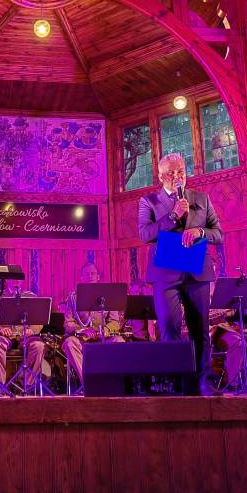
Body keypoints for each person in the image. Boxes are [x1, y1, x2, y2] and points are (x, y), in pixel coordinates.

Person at [137, 152, 223, 395]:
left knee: (200, 328)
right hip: (166, 271)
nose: (177, 177)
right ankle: (176, 383)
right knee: (169, 327)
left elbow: (219, 233)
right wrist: (173, 215)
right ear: (160, 176)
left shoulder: (201, 198)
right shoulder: (149, 201)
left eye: (181, 172)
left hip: (196, 268)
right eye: (171, 173)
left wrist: (200, 232)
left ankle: (203, 381)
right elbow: (145, 234)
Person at [61, 262, 124, 385]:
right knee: (69, 343)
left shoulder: (108, 296)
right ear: (81, 277)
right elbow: (68, 323)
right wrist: (83, 330)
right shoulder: (73, 298)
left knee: (120, 341)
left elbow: (115, 321)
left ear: (98, 277)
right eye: (87, 274)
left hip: (104, 340)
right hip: (82, 341)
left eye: (93, 273)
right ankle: (89, 383)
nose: (90, 276)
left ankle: (113, 382)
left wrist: (106, 329)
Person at [0, 289, 46, 393]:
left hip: (25, 336)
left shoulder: (30, 296)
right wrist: (0, 329)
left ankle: (28, 385)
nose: (16, 281)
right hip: (4, 335)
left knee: (39, 346)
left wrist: (32, 330)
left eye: (19, 280)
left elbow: (38, 319)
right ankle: (0, 387)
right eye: (13, 280)